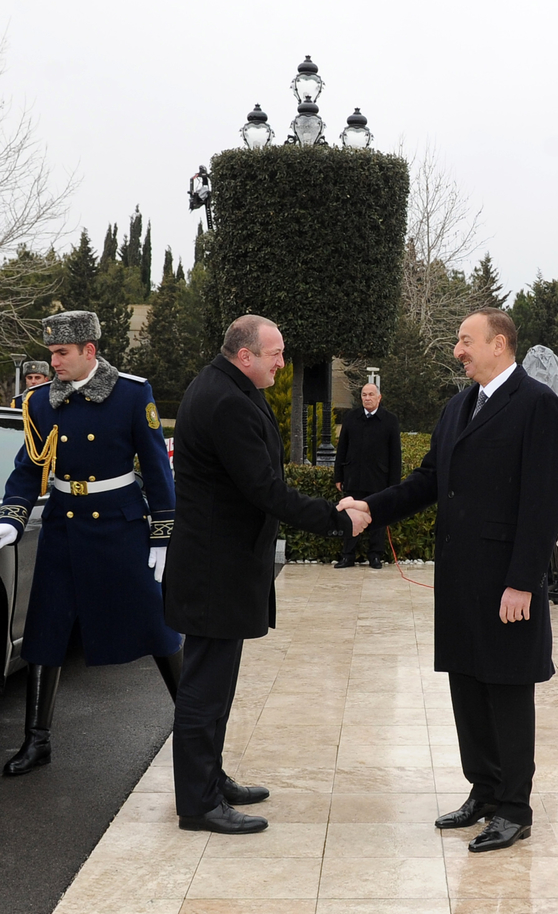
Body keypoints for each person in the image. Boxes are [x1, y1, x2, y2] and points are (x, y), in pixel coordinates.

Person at [340, 308, 558, 852]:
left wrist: (523, 581)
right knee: (467, 687)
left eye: (466, 340)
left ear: (500, 344)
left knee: (506, 691)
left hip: (506, 582)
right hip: (460, 578)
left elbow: (543, 502)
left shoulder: (538, 405)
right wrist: (372, 507)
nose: (457, 350)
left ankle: (514, 808)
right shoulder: (459, 406)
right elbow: (428, 480)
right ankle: (484, 791)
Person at [163, 314, 369, 836]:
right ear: (245, 355)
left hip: (223, 566)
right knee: (204, 689)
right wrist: (335, 518)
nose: (282, 362)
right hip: (215, 569)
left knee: (217, 685)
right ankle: (198, 804)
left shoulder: (228, 387)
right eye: (275, 353)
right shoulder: (227, 401)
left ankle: (209, 780)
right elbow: (265, 489)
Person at [0, 310, 182, 776]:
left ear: (89, 351)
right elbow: (29, 467)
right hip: (63, 526)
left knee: (156, 624)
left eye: (62, 353)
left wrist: (163, 532)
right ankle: (36, 740)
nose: (54, 362)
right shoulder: (40, 402)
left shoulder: (131, 394)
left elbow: (157, 467)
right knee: (46, 628)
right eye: (51, 353)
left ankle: (194, 723)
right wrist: (13, 517)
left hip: (120, 524)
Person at [333, 383, 402, 569]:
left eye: (371, 394)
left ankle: (375, 556)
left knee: (378, 518)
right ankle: (348, 556)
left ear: (379, 397)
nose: (367, 398)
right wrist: (338, 476)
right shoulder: (351, 418)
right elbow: (342, 448)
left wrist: (395, 484)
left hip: (379, 479)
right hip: (353, 477)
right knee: (350, 517)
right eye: (364, 394)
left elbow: (395, 454)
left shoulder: (390, 420)